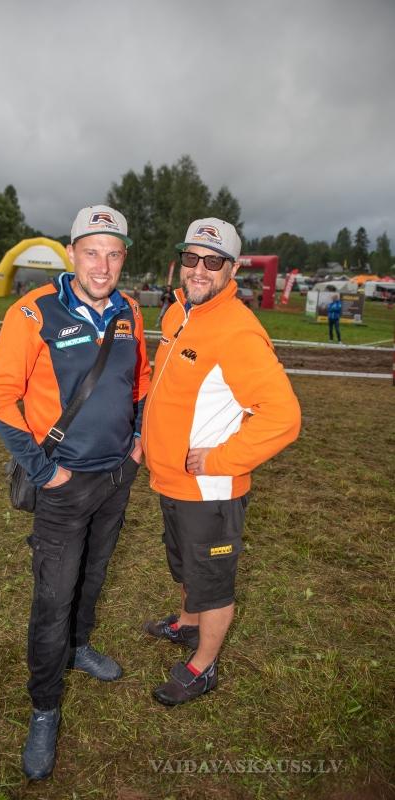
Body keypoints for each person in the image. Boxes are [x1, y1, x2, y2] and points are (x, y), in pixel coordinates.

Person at [0, 205, 150, 780]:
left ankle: (79, 647)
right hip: (62, 483)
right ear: (72, 253)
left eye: (113, 254)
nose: (102, 266)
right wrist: (42, 470)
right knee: (53, 597)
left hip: (116, 478)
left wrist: (136, 442)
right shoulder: (33, 312)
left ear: (123, 258)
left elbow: (139, 381)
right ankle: (45, 706)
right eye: (91, 252)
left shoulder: (130, 312)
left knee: (94, 575)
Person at [141, 217, 301, 706]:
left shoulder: (238, 331)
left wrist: (222, 459)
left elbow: (283, 417)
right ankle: (188, 623)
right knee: (185, 565)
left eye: (213, 262)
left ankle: (202, 667)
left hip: (209, 490)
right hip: (172, 480)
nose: (199, 269)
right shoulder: (179, 312)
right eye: (192, 258)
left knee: (211, 582)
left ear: (232, 270)